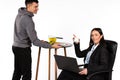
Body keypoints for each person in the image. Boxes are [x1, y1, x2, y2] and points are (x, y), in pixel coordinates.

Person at [12, 0, 61, 80]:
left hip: (16, 47)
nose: (37, 8)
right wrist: (51, 45)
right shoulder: (27, 20)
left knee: (17, 72)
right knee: (27, 74)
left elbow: (23, 34)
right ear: (28, 6)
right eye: (35, 6)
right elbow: (35, 41)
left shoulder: (19, 14)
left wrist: (37, 40)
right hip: (23, 50)